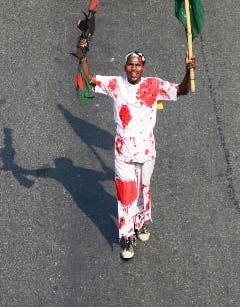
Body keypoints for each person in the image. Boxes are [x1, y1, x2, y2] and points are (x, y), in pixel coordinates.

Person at [75, 45, 196, 260]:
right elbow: (91, 79)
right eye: (130, 65)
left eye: (137, 65)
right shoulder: (116, 84)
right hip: (123, 151)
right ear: (125, 67)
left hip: (146, 150)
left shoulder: (153, 85)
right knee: (125, 193)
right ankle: (127, 236)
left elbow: (182, 90)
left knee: (143, 188)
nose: (133, 69)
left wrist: (188, 71)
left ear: (143, 68)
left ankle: (141, 222)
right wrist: (83, 56)